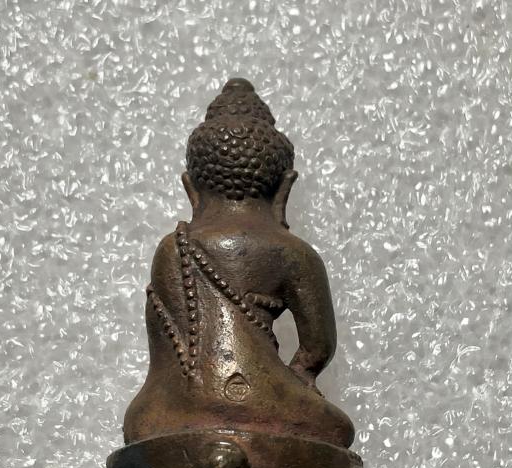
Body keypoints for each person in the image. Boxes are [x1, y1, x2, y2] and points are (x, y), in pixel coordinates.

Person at [124, 79, 354, 448]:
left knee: (141, 420)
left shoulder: (171, 249)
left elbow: (164, 359)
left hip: (165, 414)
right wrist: (292, 380)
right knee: (336, 428)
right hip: (262, 405)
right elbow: (316, 348)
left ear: (191, 190)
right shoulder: (293, 252)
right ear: (284, 189)